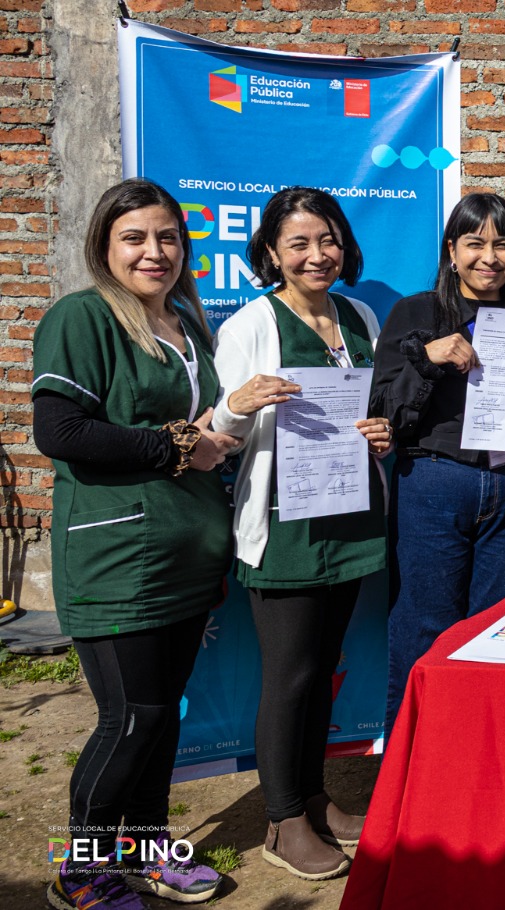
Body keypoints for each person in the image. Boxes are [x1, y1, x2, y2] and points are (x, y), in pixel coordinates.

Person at [33, 179, 234, 909]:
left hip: (184, 557)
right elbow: (60, 432)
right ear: (104, 246)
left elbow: (202, 433)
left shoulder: (186, 324)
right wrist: (179, 445)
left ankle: (149, 850)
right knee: (131, 718)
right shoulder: (82, 316)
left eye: (168, 237)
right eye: (135, 238)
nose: (155, 252)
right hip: (118, 560)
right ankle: (80, 870)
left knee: (161, 714)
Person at [211, 187, 391, 880]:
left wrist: (380, 432)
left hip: (349, 520)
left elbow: (372, 407)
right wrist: (237, 404)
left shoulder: (359, 316)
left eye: (328, 240)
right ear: (271, 253)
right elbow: (220, 435)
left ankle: (313, 797)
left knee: (322, 670)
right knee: (289, 676)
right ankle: (283, 822)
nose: (317, 255)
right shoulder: (251, 325)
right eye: (299, 244)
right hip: (286, 529)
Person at [373, 193, 505, 731]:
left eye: (502, 244)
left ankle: (488, 758)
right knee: (425, 630)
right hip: (434, 485)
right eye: (475, 243)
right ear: (451, 251)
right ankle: (412, 761)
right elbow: (383, 412)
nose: (489, 257)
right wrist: (428, 359)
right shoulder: (416, 314)